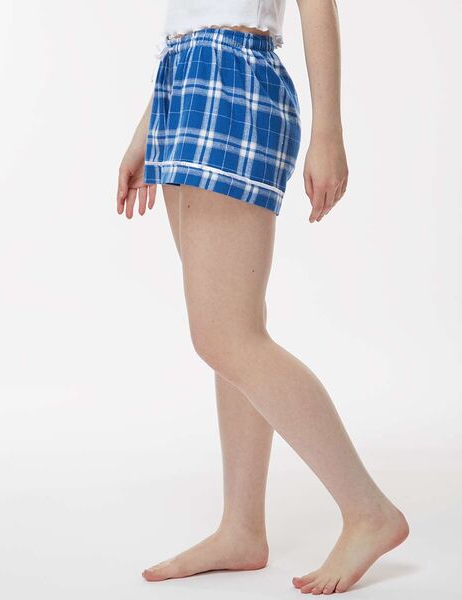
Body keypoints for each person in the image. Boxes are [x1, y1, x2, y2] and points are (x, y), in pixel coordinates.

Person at [116, 0, 409, 594]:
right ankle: (241, 529)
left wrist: (329, 131)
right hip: (182, 83)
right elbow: (192, 19)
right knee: (232, 333)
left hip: (231, 82)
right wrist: (148, 128)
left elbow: (317, 6)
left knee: (227, 336)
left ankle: (369, 511)